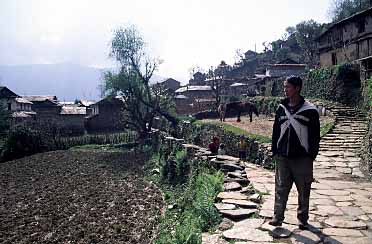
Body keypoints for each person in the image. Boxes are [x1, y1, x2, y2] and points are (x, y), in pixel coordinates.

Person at [270, 76, 320, 230]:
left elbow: (315, 135)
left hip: (302, 158)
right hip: (283, 156)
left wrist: (311, 155)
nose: (285, 90)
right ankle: (278, 217)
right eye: (284, 87)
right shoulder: (281, 108)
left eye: (288, 87)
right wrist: (275, 150)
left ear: (297, 88)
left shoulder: (310, 110)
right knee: (280, 187)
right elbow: (276, 130)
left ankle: (302, 218)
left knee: (304, 189)